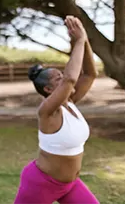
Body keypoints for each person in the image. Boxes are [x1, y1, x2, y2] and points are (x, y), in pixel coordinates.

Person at [13, 16, 100, 203]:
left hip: (70, 184)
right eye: (57, 79)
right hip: (41, 184)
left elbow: (90, 74)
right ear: (48, 90)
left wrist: (84, 41)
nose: (63, 79)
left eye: (61, 75)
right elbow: (70, 79)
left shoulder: (71, 102)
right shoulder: (47, 112)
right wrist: (78, 40)